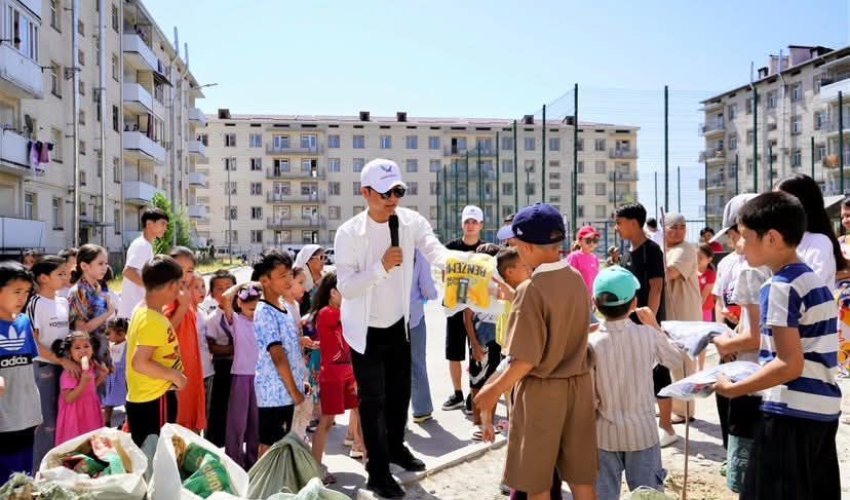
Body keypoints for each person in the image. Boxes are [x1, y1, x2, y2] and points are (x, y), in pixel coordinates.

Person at [334, 158, 448, 499]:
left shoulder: (411, 222)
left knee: (400, 395)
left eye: (398, 190)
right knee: (373, 401)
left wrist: (463, 267)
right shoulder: (349, 233)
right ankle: (378, 472)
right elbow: (347, 287)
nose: (392, 198)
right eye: (385, 192)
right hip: (364, 331)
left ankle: (397, 448)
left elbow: (435, 250)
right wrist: (381, 268)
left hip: (400, 325)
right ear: (365, 192)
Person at [715, 191, 841, 499]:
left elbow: (789, 364)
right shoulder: (810, 279)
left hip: (789, 415)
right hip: (822, 412)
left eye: (745, 237)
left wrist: (734, 388)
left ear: (771, 238)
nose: (740, 248)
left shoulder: (780, 286)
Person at [475, 203, 596, 500]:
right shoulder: (576, 280)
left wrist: (490, 393)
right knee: (582, 478)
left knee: (536, 479)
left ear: (527, 247)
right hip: (579, 386)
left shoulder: (531, 289)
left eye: (514, 242)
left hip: (543, 392)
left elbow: (525, 360)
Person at [589, 266, 684, 500]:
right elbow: (675, 359)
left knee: (603, 495)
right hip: (642, 433)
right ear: (634, 303)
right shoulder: (648, 335)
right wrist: (654, 326)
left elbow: (590, 399)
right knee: (648, 494)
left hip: (603, 435)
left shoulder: (590, 343)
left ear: (595, 302)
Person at [614, 203, 675, 447]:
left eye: (619, 222)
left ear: (633, 222)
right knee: (635, 371)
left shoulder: (652, 250)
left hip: (648, 322)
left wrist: (648, 319)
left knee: (659, 370)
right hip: (628, 322)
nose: (617, 228)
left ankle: (667, 427)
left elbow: (657, 286)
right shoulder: (627, 251)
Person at [709, 193, 757, 453]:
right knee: (725, 399)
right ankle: (730, 452)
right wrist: (724, 338)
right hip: (728, 342)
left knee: (747, 409)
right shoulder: (727, 263)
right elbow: (719, 301)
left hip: (750, 347)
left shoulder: (760, 265)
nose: (734, 239)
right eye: (731, 233)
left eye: (737, 232)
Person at [124, 255, 187, 446]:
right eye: (179, 285)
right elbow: (140, 362)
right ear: (172, 286)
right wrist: (175, 376)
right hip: (154, 399)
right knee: (158, 455)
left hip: (146, 397)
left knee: (148, 453)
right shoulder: (153, 320)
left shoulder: (142, 309)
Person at [252, 250, 308, 458]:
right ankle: (263, 489)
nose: (288, 280)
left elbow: (291, 348)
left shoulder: (283, 306)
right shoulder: (264, 311)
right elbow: (277, 355)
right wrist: (294, 391)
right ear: (265, 281)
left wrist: (300, 382)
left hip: (285, 392)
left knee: (283, 446)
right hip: (273, 394)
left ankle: (278, 487)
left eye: (290, 275)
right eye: (282, 275)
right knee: (269, 448)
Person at [311, 272, 365, 482]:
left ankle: (371, 462)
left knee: (361, 415)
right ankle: (316, 468)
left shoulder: (342, 311)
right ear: (333, 292)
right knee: (326, 421)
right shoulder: (327, 313)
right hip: (332, 376)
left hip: (349, 373)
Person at [28, 256, 72, 466]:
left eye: (66, 273)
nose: (66, 277)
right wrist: (60, 361)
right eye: (60, 274)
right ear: (43, 278)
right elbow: (34, 342)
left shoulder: (63, 301)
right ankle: (40, 469)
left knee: (63, 418)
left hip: (65, 367)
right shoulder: (35, 303)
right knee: (46, 421)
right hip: (44, 367)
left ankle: (58, 464)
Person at [443, 204, 485, 414]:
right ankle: (458, 394)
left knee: (476, 351)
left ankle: (474, 393)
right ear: (462, 224)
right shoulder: (450, 247)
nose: (470, 225)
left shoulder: (485, 250)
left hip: (478, 311)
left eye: (474, 222)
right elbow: (443, 275)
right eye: (467, 221)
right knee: (454, 353)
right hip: (455, 307)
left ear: (481, 225)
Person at [0, 262, 40, 480]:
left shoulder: (24, 322)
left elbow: (27, 370)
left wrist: (35, 412)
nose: (22, 298)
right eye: (16, 291)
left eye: (26, 292)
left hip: (26, 416)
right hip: (3, 419)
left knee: (23, 478)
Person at [776, 174, 845, 291]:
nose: (773, 207)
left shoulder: (818, 242)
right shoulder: (786, 240)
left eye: (779, 201)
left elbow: (811, 291)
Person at [164, 247, 206, 433]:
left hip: (191, 365)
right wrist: (182, 307)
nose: (184, 274)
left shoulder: (185, 295)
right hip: (174, 367)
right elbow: (164, 331)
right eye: (179, 268)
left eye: (189, 270)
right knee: (177, 417)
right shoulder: (167, 296)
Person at [222, 282, 261, 470]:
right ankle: (234, 460)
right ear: (240, 304)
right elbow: (225, 298)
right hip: (241, 375)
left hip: (260, 377)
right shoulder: (236, 321)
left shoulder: (263, 322)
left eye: (257, 308)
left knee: (256, 422)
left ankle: (253, 460)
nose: (254, 312)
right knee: (237, 421)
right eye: (251, 308)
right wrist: (243, 285)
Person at [55, 331, 108, 445]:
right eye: (77, 348)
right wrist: (83, 383)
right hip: (75, 415)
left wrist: (102, 375)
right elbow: (69, 399)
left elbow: (90, 388)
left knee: (91, 443)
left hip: (90, 411)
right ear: (70, 353)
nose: (83, 350)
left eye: (86, 346)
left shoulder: (91, 366)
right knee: (77, 445)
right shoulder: (70, 373)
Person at [204, 270, 237, 447]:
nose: (225, 292)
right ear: (212, 293)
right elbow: (212, 346)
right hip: (222, 367)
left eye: (229, 287)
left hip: (242, 367)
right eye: (219, 288)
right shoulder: (212, 319)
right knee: (219, 409)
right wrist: (235, 348)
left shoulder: (244, 313)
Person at [68, 244, 115, 368]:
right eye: (100, 264)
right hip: (88, 361)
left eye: (106, 263)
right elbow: (81, 329)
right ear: (84, 266)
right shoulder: (79, 291)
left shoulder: (98, 288)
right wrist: (108, 313)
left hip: (102, 354)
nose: (105, 268)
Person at [119, 208, 169, 319]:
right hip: (132, 310)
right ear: (149, 224)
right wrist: (152, 288)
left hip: (136, 310)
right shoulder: (142, 245)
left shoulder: (145, 245)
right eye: (163, 224)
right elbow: (128, 271)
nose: (165, 228)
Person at [409, 249, 438, 424]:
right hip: (414, 317)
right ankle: (421, 410)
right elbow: (428, 290)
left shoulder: (381, 248)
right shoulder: (418, 255)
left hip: (385, 318)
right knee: (417, 363)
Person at [190, 273, 214, 424]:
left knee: (206, 416)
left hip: (207, 371)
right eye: (196, 287)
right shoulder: (185, 314)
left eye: (203, 286)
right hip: (192, 374)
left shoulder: (203, 312)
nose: (201, 291)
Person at [102, 317, 129, 428]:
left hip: (123, 382)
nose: (107, 335)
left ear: (121, 333)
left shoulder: (128, 346)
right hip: (110, 382)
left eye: (110, 333)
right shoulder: (110, 346)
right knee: (108, 404)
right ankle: (106, 423)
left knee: (128, 402)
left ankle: (128, 422)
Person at [566, 226, 601, 294]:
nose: (592, 243)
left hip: (591, 298)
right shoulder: (574, 257)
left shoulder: (594, 258)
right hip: (578, 298)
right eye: (588, 240)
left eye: (595, 240)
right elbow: (568, 279)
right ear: (579, 241)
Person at [293, 244, 325, 316]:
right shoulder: (298, 277)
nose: (324, 261)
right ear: (308, 259)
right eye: (321, 257)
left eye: (325, 258)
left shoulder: (325, 276)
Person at [697, 244, 716, 323]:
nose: (697, 259)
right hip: (692, 309)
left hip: (705, 310)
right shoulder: (690, 273)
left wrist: (695, 310)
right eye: (696, 256)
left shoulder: (711, 274)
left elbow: (704, 296)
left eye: (700, 257)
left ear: (709, 259)